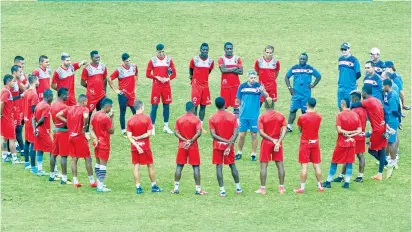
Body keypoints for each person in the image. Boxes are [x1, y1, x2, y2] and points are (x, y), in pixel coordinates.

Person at [56, 94, 97, 188]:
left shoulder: (69, 108)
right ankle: (92, 181)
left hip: (71, 136)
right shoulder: (84, 109)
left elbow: (58, 115)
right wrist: (84, 126)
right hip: (80, 137)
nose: (87, 104)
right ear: (83, 102)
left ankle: (75, 181)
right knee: (87, 158)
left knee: (74, 159)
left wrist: (67, 121)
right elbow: (86, 116)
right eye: (86, 102)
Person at [323, 97, 361, 189]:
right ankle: (347, 182)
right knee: (349, 162)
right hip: (351, 143)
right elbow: (359, 130)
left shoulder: (340, 115)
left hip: (341, 143)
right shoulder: (355, 115)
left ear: (343, 104)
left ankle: (328, 181)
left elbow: (339, 130)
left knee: (334, 161)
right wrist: (352, 134)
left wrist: (346, 133)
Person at [351, 85, 388, 181]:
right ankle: (380, 173)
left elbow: (354, 105)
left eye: (362, 93)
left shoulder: (368, 101)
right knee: (382, 149)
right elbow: (385, 112)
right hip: (383, 127)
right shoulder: (377, 100)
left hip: (376, 130)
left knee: (371, 150)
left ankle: (385, 164)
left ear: (364, 93)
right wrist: (386, 124)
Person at [126, 100, 162, 194]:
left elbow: (129, 136)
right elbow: (149, 133)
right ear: (141, 107)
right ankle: (154, 186)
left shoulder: (130, 120)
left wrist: (137, 145)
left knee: (136, 167)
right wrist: (140, 137)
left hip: (135, 147)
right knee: (150, 165)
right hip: (145, 147)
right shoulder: (147, 118)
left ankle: (138, 188)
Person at [171, 101, 206, 195]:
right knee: (196, 167)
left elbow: (176, 132)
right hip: (193, 146)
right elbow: (198, 132)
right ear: (193, 109)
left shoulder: (179, 119)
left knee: (179, 166)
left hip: (182, 146)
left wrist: (184, 140)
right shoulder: (196, 119)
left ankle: (176, 188)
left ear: (186, 109)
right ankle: (198, 190)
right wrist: (190, 141)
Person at [209, 97, 241, 197]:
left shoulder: (212, 118)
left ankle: (222, 190)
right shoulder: (232, 117)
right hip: (229, 145)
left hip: (218, 146)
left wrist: (223, 141)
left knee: (219, 167)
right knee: (232, 165)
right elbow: (235, 133)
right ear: (225, 104)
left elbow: (213, 135)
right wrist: (229, 143)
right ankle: (238, 188)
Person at [235, 70, 269, 161]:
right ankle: (239, 152)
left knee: (254, 134)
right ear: (248, 77)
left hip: (254, 116)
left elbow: (267, 96)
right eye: (251, 78)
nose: (253, 79)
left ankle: (253, 154)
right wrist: (238, 112)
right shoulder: (242, 87)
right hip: (243, 116)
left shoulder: (259, 87)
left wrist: (263, 91)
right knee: (241, 135)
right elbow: (238, 100)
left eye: (254, 78)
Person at [334, 91, 368, 183]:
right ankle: (360, 176)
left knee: (347, 155)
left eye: (352, 97)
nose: (351, 100)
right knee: (360, 155)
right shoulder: (364, 109)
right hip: (361, 134)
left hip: (353, 136)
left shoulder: (354, 111)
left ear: (355, 98)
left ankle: (341, 176)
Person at [255, 99, 287, 195]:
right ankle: (281, 188)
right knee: (280, 164)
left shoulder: (262, 117)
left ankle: (263, 189)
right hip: (278, 142)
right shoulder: (280, 115)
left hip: (266, 143)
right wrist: (278, 141)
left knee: (264, 165)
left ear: (264, 106)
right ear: (274, 105)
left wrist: (271, 140)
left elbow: (261, 132)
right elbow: (284, 130)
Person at [293, 97, 324, 193]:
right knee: (317, 165)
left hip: (305, 143)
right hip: (315, 142)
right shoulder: (319, 117)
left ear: (307, 104)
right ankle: (320, 186)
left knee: (304, 167)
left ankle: (302, 188)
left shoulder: (302, 117)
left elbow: (300, 128)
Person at [285, 53, 321, 132]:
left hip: (306, 94)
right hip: (296, 94)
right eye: (301, 58)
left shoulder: (310, 68)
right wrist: (290, 88)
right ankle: (289, 126)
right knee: (293, 110)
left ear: (306, 60)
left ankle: (303, 128)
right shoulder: (294, 68)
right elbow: (286, 77)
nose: (302, 60)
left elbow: (318, 76)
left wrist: (313, 84)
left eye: (304, 59)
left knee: (304, 111)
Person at [146, 43, 176, 136]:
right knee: (154, 106)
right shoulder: (153, 60)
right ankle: (152, 127)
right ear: (157, 52)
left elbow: (174, 73)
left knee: (166, 106)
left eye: (163, 51)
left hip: (166, 86)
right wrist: (156, 77)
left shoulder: (169, 60)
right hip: (156, 87)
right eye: (160, 52)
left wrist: (168, 79)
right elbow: (147, 74)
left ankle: (166, 127)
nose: (162, 54)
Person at [108, 53, 138, 137]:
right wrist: (116, 90)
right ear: (123, 61)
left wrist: (136, 86)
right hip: (123, 94)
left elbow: (136, 74)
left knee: (135, 111)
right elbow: (109, 79)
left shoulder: (134, 66)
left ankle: (136, 127)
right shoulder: (119, 70)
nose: (128, 62)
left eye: (129, 60)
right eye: (126, 61)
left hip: (132, 94)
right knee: (123, 111)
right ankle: (123, 131)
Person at [81, 50, 108, 137]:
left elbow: (104, 79)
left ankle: (99, 130)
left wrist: (104, 90)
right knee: (89, 113)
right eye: (96, 57)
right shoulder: (87, 69)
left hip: (101, 95)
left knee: (101, 113)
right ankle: (87, 131)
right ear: (91, 58)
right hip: (91, 96)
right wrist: (90, 88)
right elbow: (82, 82)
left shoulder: (103, 67)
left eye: (98, 57)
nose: (98, 59)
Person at [90, 98, 115, 192]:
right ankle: (100, 186)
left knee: (97, 163)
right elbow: (111, 131)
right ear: (107, 107)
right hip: (104, 144)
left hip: (97, 143)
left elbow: (91, 129)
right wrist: (112, 118)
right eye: (110, 107)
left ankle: (99, 183)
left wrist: (95, 138)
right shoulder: (106, 118)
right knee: (103, 165)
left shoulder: (95, 115)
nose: (111, 109)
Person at [189, 43, 214, 133]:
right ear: (200, 50)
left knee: (203, 106)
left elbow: (209, 71)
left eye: (206, 50)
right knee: (195, 106)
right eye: (203, 49)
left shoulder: (210, 61)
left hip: (205, 86)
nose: (205, 51)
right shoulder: (195, 59)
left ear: (208, 50)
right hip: (196, 86)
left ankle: (200, 126)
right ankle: (194, 126)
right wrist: (192, 78)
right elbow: (191, 69)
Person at [50, 87, 71, 184]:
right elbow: (68, 122)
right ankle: (64, 178)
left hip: (55, 131)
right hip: (63, 132)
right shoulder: (64, 107)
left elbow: (54, 120)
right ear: (63, 95)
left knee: (53, 154)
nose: (68, 96)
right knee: (63, 156)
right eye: (67, 94)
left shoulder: (52, 105)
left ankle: (52, 175)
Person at [218, 42, 243, 117]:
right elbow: (223, 70)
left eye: (230, 49)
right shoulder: (221, 59)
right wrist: (235, 68)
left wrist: (227, 69)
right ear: (224, 49)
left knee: (236, 107)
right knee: (224, 107)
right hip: (225, 86)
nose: (229, 50)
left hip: (235, 86)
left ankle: (237, 124)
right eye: (227, 49)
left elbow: (241, 71)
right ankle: (223, 122)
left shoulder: (237, 59)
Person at [32, 89, 54, 177]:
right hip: (43, 131)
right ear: (48, 97)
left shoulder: (38, 104)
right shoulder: (47, 106)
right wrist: (37, 127)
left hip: (38, 131)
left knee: (40, 149)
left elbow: (33, 118)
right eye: (52, 97)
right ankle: (54, 170)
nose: (52, 99)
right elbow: (42, 119)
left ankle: (40, 170)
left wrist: (34, 129)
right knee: (53, 149)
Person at [1, 74, 21, 164]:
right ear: (8, 82)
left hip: (4, 118)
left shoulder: (3, 90)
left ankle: (4, 156)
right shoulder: (6, 92)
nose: (14, 82)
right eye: (13, 81)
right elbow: (1, 102)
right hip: (8, 118)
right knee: (12, 138)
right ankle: (14, 158)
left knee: (5, 138)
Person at [382, 79, 400, 178]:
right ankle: (387, 159)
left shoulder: (392, 96)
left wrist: (397, 120)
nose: (382, 87)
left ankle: (393, 161)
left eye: (383, 86)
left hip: (391, 122)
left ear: (387, 86)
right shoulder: (388, 93)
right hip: (389, 121)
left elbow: (394, 110)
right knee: (387, 139)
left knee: (391, 141)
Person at [337, 42, 361, 111]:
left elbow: (358, 74)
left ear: (349, 49)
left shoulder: (354, 60)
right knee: (340, 105)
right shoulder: (340, 59)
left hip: (350, 88)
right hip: (341, 87)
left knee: (350, 107)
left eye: (345, 49)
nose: (344, 51)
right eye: (342, 49)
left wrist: (353, 80)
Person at [23, 74, 39, 171]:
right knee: (33, 143)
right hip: (31, 121)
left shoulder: (27, 92)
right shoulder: (33, 94)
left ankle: (26, 163)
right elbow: (34, 109)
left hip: (26, 119)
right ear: (35, 81)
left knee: (27, 142)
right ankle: (33, 167)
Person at [10, 65, 26, 155]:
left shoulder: (17, 81)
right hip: (12, 110)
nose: (21, 73)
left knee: (18, 129)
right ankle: (19, 150)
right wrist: (20, 95)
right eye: (20, 71)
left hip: (17, 109)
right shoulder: (11, 82)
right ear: (14, 72)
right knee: (15, 130)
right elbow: (9, 97)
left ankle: (21, 149)